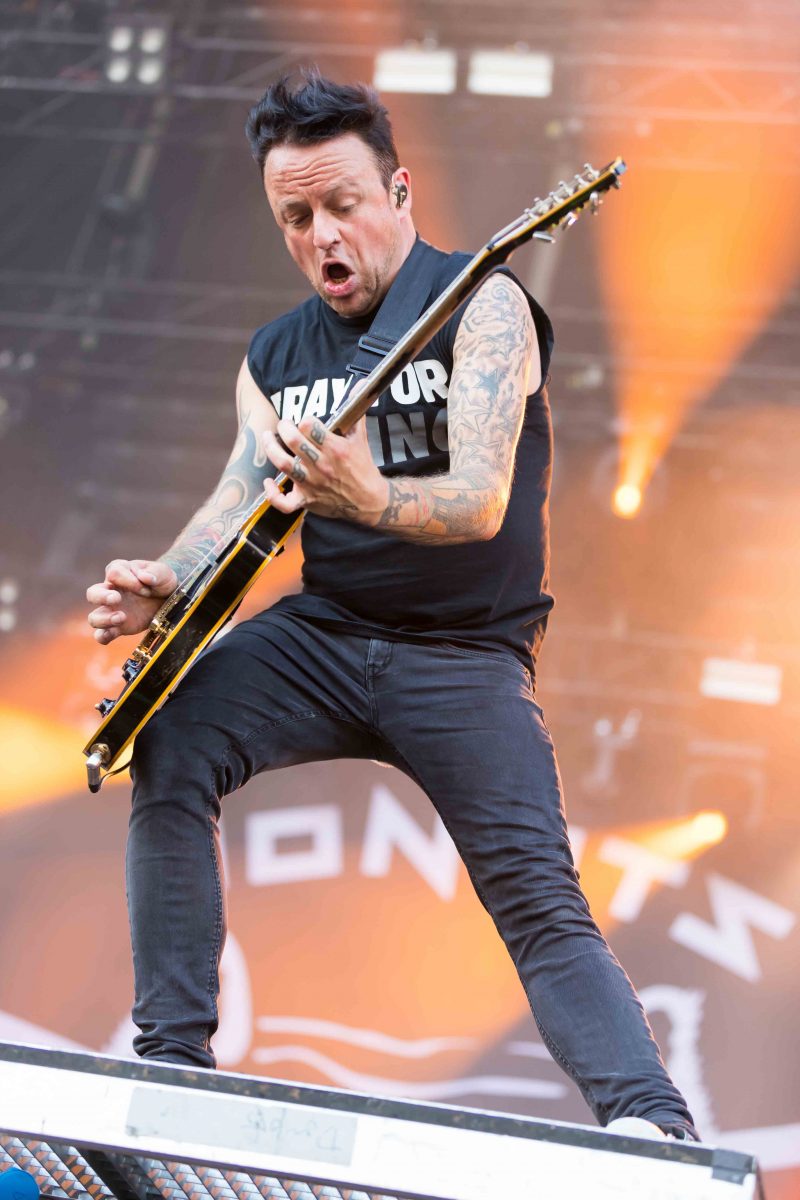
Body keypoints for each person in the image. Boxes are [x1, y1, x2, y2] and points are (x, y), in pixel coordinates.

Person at [85, 71, 698, 1142]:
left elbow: (479, 502)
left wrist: (365, 494)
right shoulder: (274, 357)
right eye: (295, 218)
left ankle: (650, 1126)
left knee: (536, 894)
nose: (321, 235)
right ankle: (171, 1068)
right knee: (168, 731)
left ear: (399, 193)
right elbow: (234, 500)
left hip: (465, 657)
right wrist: (164, 582)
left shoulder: (484, 305)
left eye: (342, 205)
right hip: (325, 636)